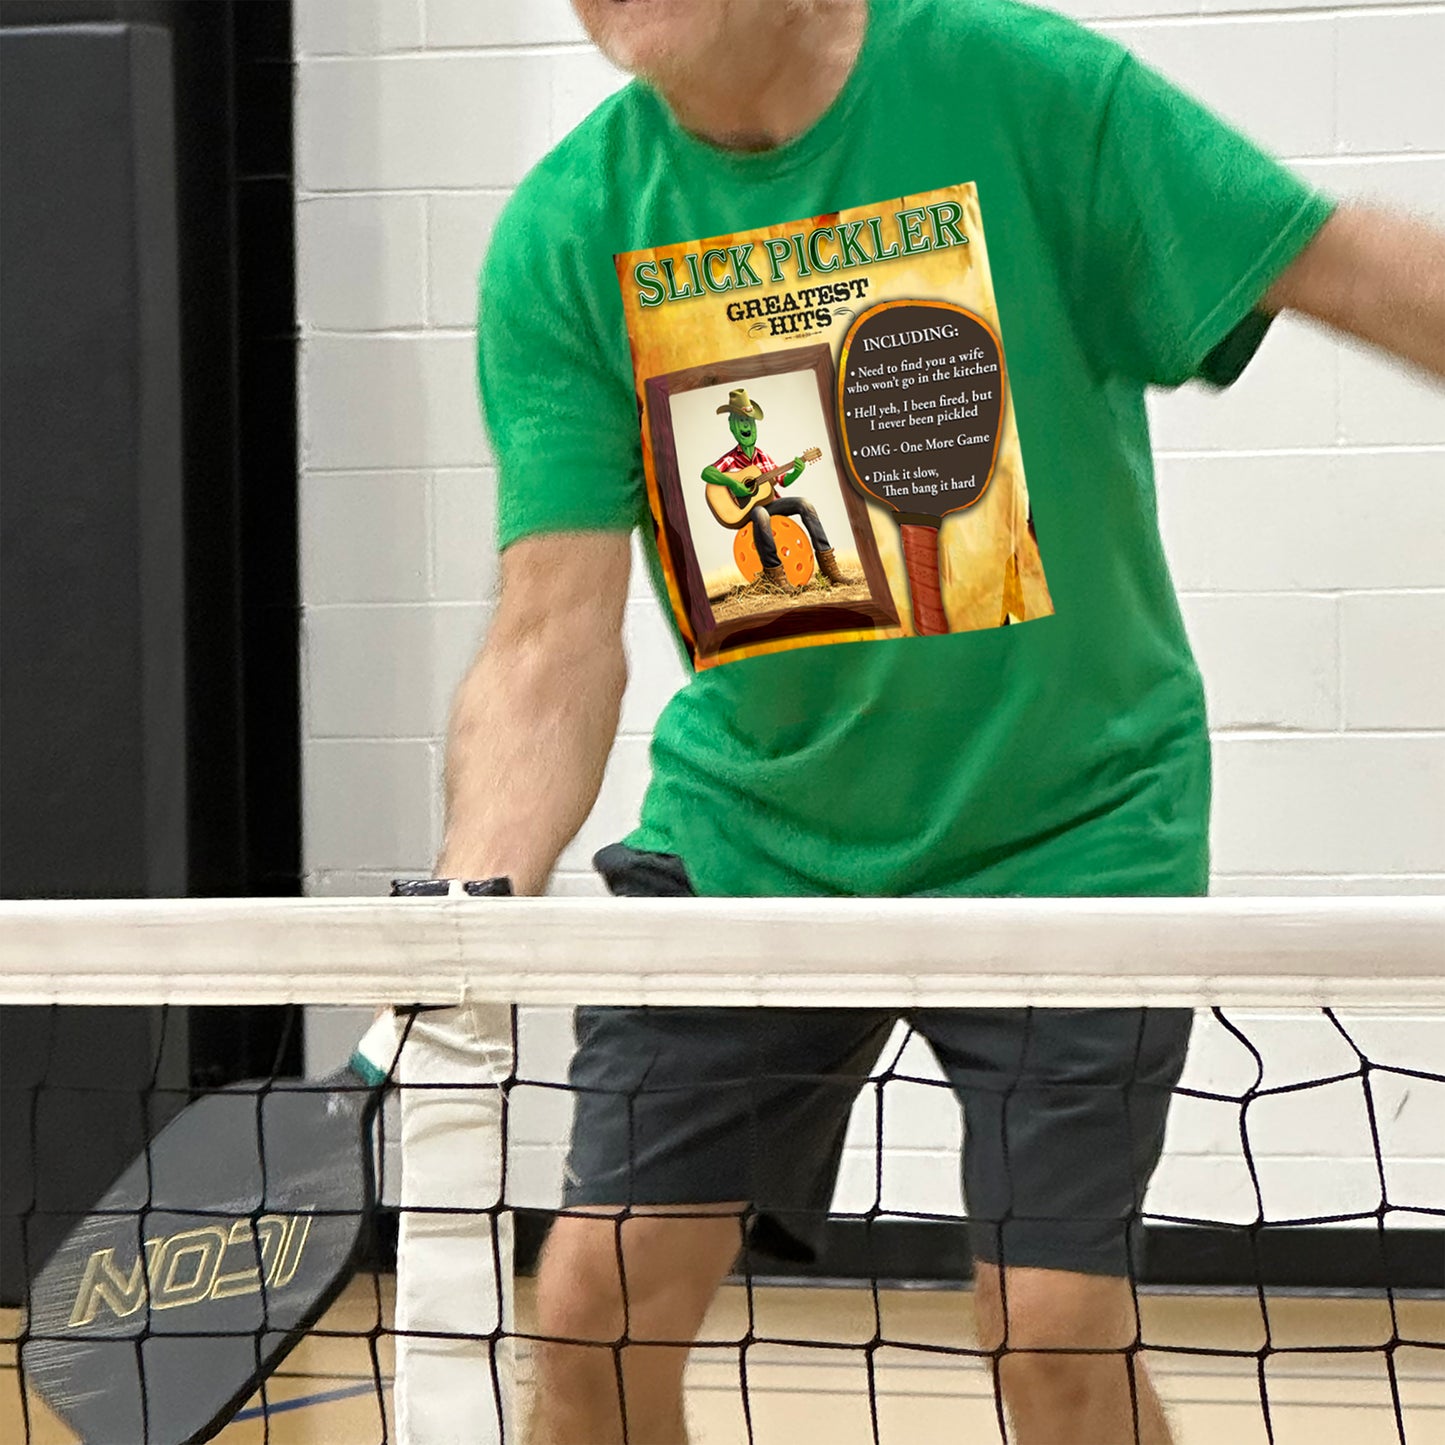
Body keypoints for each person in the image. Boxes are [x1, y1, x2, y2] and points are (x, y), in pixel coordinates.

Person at [435, 2, 1445, 1442]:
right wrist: (467, 909)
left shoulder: (1023, 89)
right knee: (592, 1301)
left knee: (1048, 1334)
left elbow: (1336, 264)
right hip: (752, 838)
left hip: (1073, 831)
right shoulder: (567, 233)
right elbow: (547, 637)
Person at [701, 386, 844, 589]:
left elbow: (782, 480)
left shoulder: (763, 457)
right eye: (741, 421)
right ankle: (776, 576)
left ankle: (830, 569)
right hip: (745, 512)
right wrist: (734, 484)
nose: (746, 427)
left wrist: (796, 470)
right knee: (759, 512)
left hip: (771, 504)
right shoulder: (730, 459)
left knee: (805, 504)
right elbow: (707, 473)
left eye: (749, 422)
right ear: (733, 427)